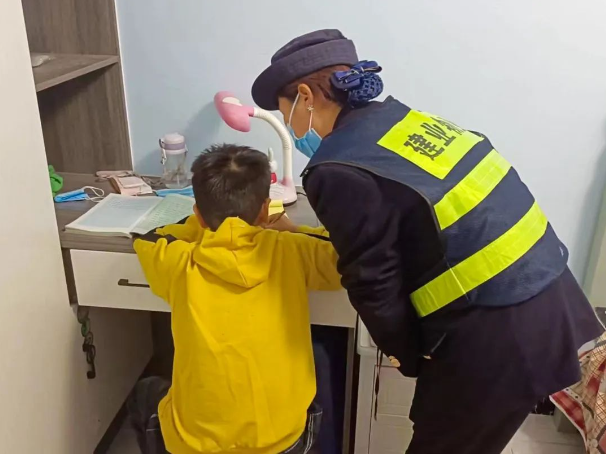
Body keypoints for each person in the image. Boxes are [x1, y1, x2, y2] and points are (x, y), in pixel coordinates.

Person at [251, 29, 604, 454]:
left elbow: (372, 282)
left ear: (306, 97)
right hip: (550, 299)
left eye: (284, 109)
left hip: (496, 334)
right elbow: (411, 209)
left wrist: (408, 354)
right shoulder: (406, 121)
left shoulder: (336, 166)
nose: (288, 123)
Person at [129, 144, 341, 454]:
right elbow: (346, 251)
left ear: (199, 214)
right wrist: (291, 227)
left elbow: (149, 237)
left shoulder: (178, 260)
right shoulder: (292, 249)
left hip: (197, 445)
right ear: (265, 209)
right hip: (280, 440)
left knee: (144, 390)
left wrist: (207, 224)